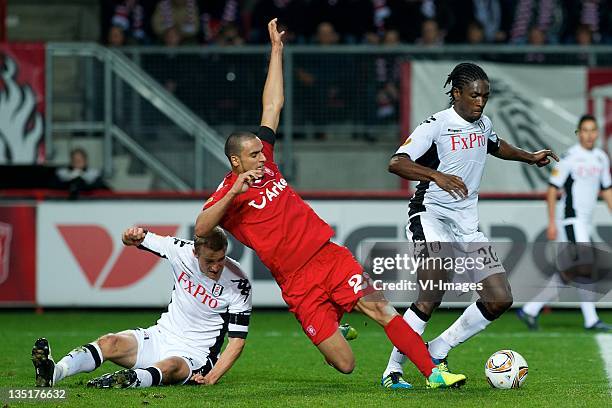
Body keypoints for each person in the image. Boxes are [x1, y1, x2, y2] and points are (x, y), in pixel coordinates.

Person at [194, 18, 466, 389]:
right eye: (254, 154)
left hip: (328, 257)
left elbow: (272, 105)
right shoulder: (230, 193)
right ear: (235, 161)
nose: (262, 156)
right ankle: (336, 318)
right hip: (296, 284)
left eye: (262, 151)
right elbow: (201, 228)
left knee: (381, 309)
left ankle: (432, 373)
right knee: (344, 363)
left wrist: (276, 51)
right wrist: (233, 194)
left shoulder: (268, 163)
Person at [380, 62, 559, 388]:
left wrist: (529, 157)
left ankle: (439, 348)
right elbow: (396, 163)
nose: (480, 102)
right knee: (432, 288)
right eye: (475, 96)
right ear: (458, 93)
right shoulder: (435, 125)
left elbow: (495, 145)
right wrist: (435, 174)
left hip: (466, 226)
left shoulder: (483, 123)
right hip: (429, 215)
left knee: (499, 298)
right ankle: (393, 370)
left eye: (485, 97)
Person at [31, 227, 252, 388]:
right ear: (195, 254)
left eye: (221, 259)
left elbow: (237, 343)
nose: (216, 267)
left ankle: (129, 380)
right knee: (109, 342)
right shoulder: (181, 251)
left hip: (196, 355)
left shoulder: (238, 283)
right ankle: (54, 372)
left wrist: (212, 377)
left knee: (171, 366)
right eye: (210, 261)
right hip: (161, 336)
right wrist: (129, 235)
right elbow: (139, 238)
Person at [518, 114, 612, 332]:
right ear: (579, 133)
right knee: (585, 265)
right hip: (571, 221)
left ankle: (530, 309)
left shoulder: (601, 157)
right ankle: (591, 320)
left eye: (593, 130)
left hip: (585, 223)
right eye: (585, 130)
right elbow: (552, 190)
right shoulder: (570, 157)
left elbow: (606, 190)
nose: (589, 135)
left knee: (570, 271)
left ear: (597, 133)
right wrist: (552, 222)